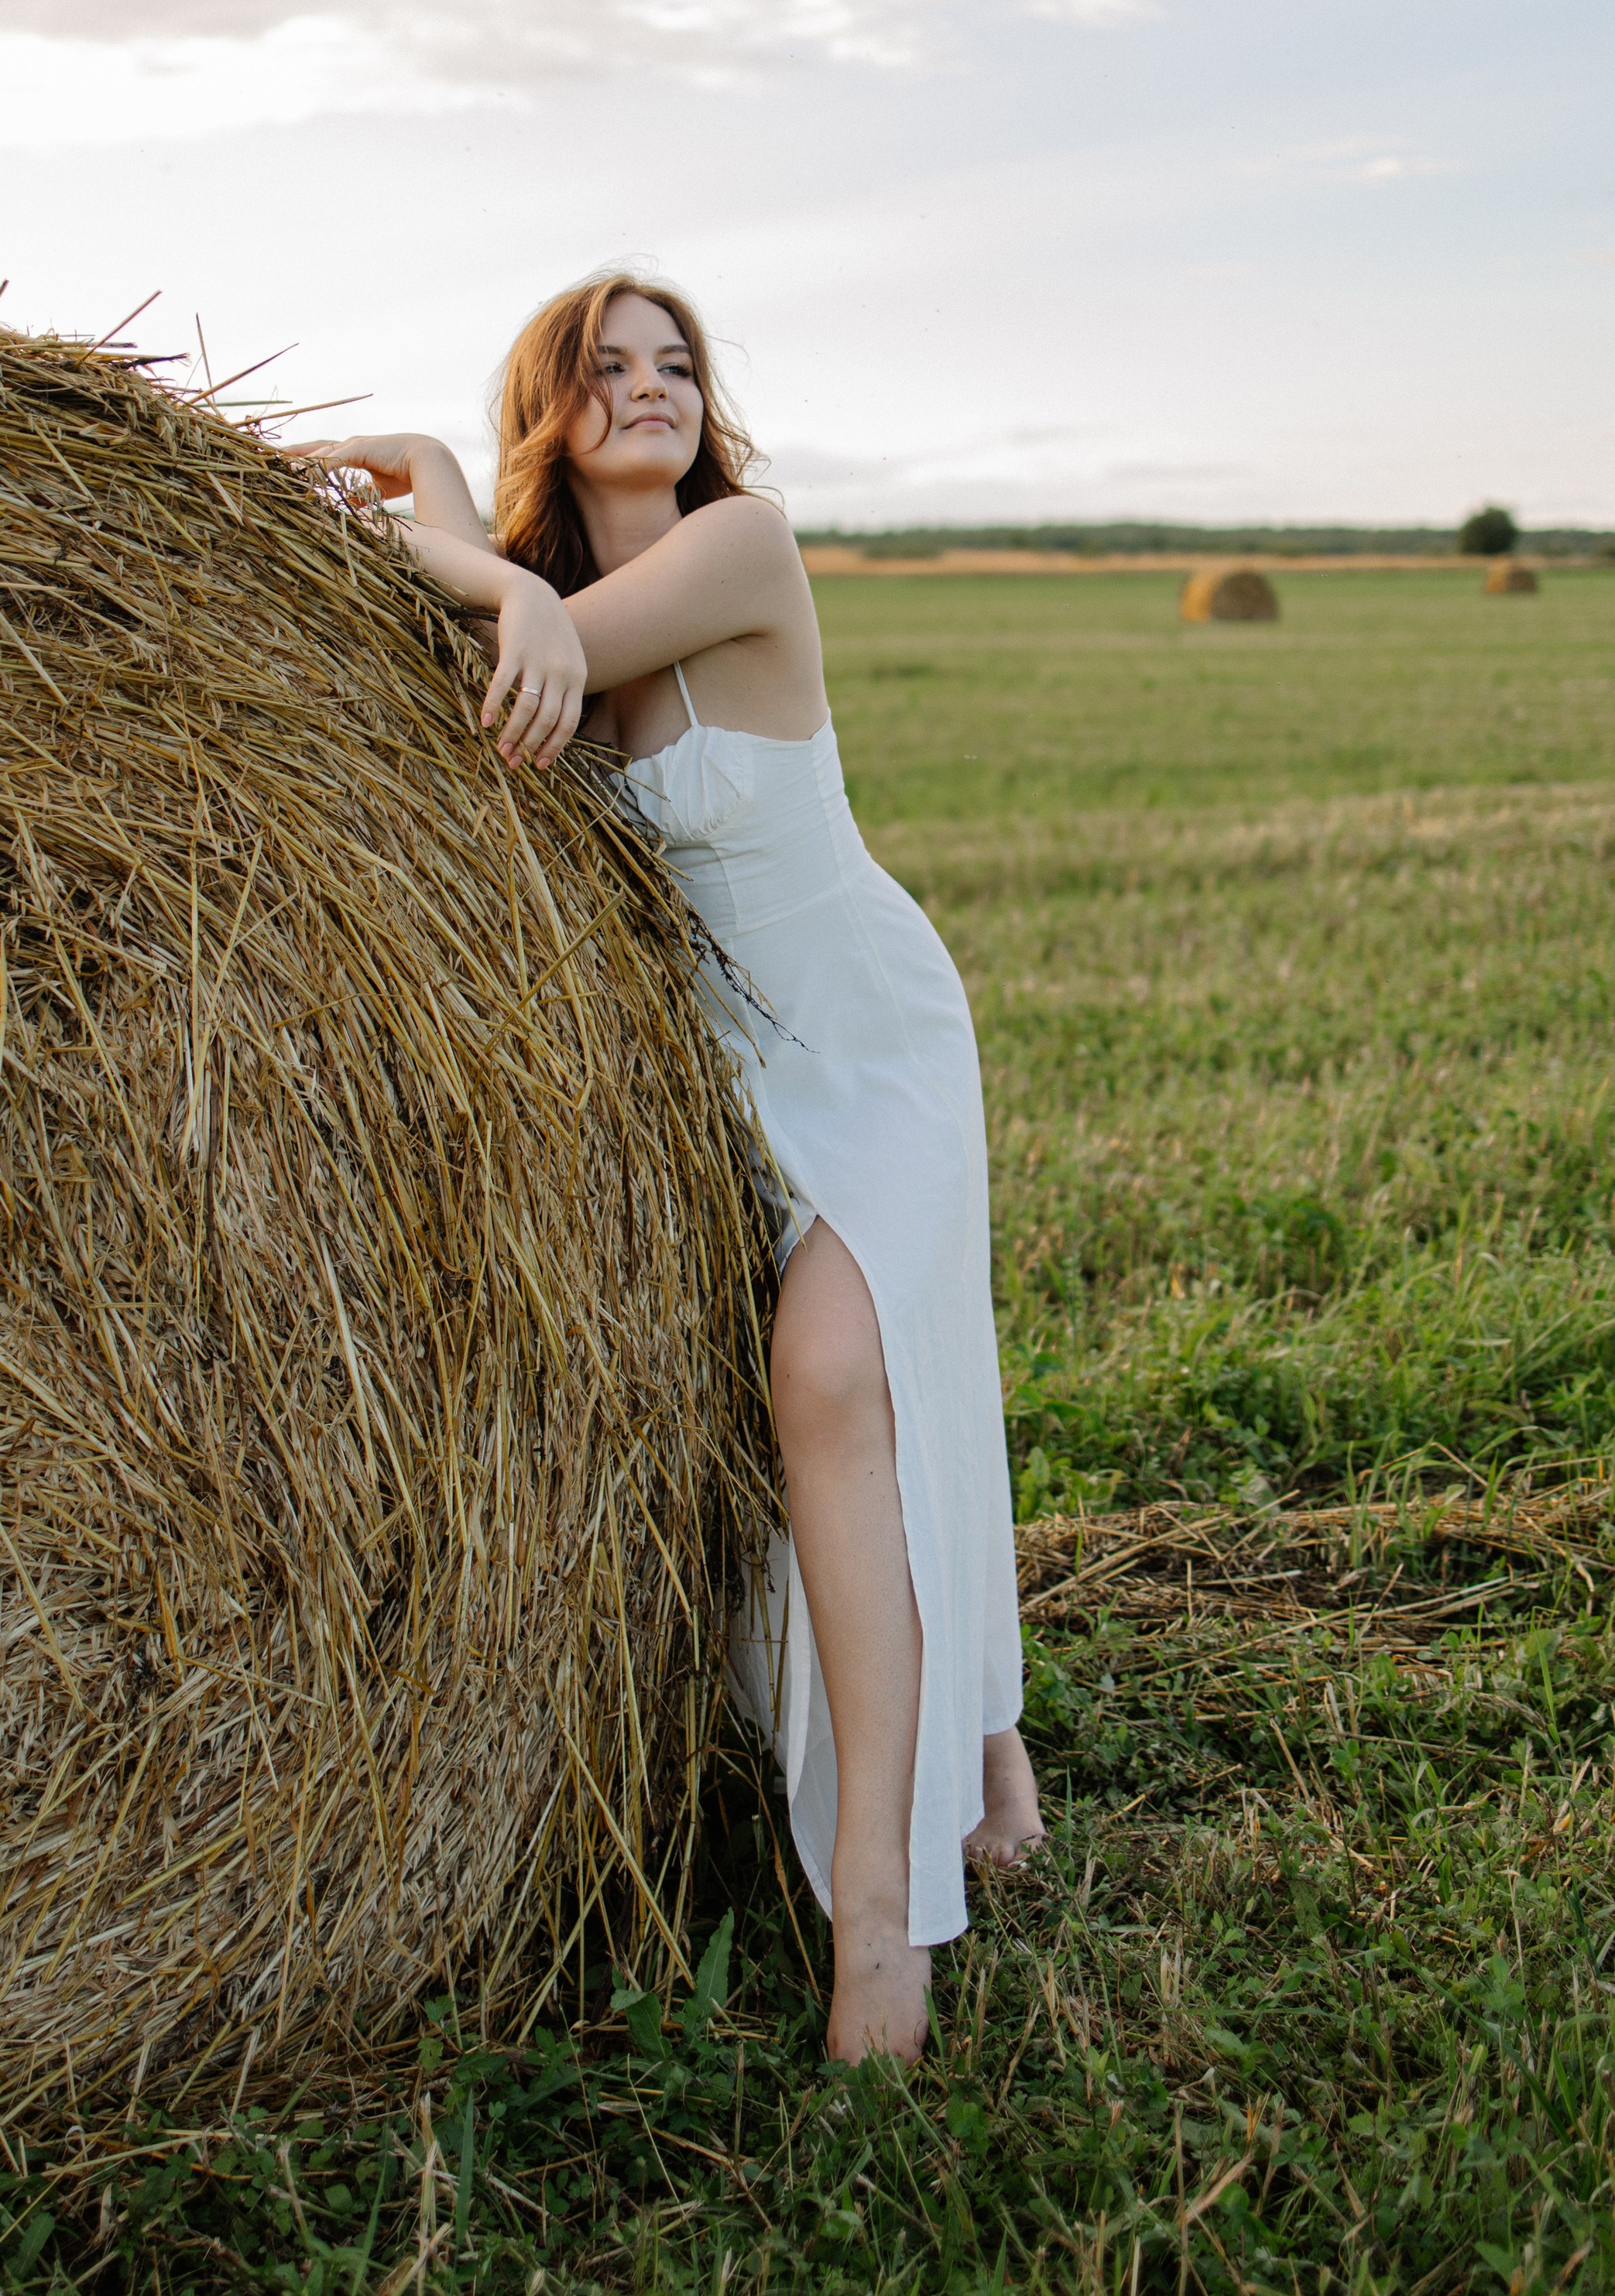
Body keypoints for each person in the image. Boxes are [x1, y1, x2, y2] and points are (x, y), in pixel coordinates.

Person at [285, 273, 1042, 2061]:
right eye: (605, 368)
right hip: (723, 1092)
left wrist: (472, 554)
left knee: (839, 1374)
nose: (652, 388)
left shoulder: (742, 552)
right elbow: (488, 622)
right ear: (548, 410)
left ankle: (878, 1922)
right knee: (903, 1397)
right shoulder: (546, 612)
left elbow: (536, 622)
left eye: (677, 363)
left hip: (870, 1044)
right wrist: (465, 541)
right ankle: (988, 1745)